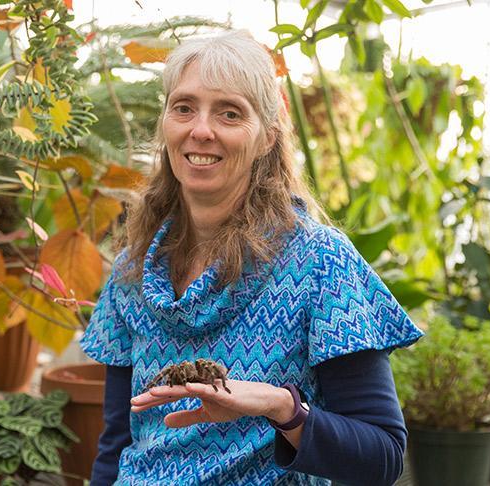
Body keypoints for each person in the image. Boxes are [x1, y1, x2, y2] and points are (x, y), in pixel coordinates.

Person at [79, 30, 423, 486]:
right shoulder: (132, 270)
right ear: (165, 124)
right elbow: (116, 445)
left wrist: (284, 408)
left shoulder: (317, 262)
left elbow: (382, 456)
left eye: (230, 112)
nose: (201, 129)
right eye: (184, 107)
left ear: (267, 138)